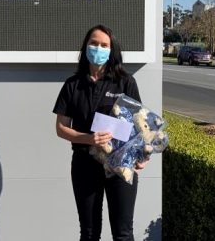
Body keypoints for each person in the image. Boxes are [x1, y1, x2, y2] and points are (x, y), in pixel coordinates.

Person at [53, 24, 149, 241]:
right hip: (84, 164)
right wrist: (88, 138)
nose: (98, 48)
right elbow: (61, 127)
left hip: (120, 164)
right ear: (85, 47)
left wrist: (143, 155)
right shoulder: (72, 85)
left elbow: (140, 126)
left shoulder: (125, 82)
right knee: (88, 232)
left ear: (112, 50)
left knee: (123, 233)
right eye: (94, 43)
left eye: (104, 45)